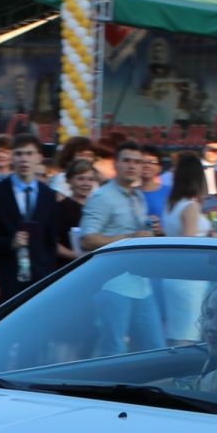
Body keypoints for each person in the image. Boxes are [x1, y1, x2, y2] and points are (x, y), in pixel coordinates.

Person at [78, 141, 164, 354]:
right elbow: (87, 239)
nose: (132, 166)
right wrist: (130, 238)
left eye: (137, 161)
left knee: (155, 348)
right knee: (113, 348)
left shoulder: (137, 196)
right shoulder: (102, 196)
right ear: (116, 164)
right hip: (112, 284)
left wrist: (155, 233)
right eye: (126, 161)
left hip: (141, 284)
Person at [0, 132, 55, 300]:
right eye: (19, 154)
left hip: (39, 278)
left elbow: (50, 242)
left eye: (29, 154)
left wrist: (47, 271)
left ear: (39, 158)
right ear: (12, 157)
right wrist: (9, 243)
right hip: (5, 275)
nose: (24, 159)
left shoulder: (48, 195)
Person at [161, 155, 212, 344]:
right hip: (189, 278)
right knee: (187, 335)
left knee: (178, 331)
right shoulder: (190, 207)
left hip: (173, 276)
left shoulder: (171, 204)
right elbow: (189, 245)